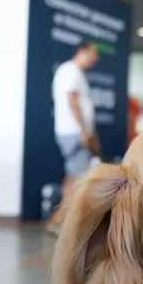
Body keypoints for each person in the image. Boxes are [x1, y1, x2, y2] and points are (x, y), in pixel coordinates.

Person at [48, 41, 100, 234]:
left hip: (75, 132)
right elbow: (72, 102)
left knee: (72, 178)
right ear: (82, 51)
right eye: (93, 53)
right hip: (74, 133)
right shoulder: (70, 71)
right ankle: (59, 220)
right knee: (77, 178)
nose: (96, 59)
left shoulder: (75, 73)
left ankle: (60, 220)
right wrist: (83, 131)